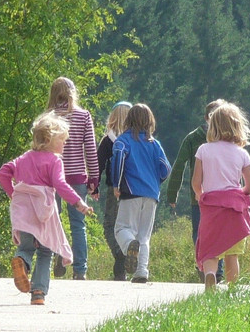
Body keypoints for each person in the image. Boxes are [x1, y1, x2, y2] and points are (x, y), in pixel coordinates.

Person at [0, 111, 94, 305]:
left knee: (25, 247)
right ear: (49, 139)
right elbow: (60, 185)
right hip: (43, 212)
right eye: (63, 140)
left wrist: (14, 194)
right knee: (45, 251)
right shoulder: (54, 160)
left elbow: (2, 173)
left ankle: (22, 263)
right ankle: (39, 292)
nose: (65, 145)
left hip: (23, 211)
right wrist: (78, 202)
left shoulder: (23, 158)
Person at [192, 102, 250, 292]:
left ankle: (210, 276)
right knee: (232, 254)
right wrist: (238, 195)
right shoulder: (242, 153)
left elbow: (196, 182)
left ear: (213, 126)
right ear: (238, 126)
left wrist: (201, 195)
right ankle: (232, 288)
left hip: (211, 207)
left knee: (210, 250)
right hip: (234, 209)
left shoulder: (204, 150)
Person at [166, 99, 226, 283]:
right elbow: (179, 165)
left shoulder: (223, 137)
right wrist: (172, 192)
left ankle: (213, 271)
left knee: (211, 233)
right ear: (206, 117)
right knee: (208, 234)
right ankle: (209, 269)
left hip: (211, 196)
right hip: (205, 197)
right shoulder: (194, 138)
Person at [111, 103, 172, 283]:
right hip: (151, 194)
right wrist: (155, 181)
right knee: (144, 235)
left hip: (130, 191)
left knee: (122, 228)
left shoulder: (123, 141)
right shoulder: (155, 144)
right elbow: (166, 169)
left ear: (129, 120)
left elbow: (119, 160)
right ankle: (141, 271)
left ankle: (129, 245)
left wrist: (116, 183)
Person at [47, 77, 99, 280]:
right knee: (78, 224)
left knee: (53, 221)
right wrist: (94, 180)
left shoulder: (48, 117)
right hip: (77, 176)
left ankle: (56, 257)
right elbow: (91, 151)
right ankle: (80, 270)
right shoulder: (83, 115)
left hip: (51, 177)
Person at [96, 101, 132, 280]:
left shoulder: (108, 140)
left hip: (114, 188)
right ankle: (125, 261)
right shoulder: (137, 139)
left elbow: (98, 166)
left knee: (110, 225)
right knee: (129, 227)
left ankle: (120, 254)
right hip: (135, 189)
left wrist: (94, 186)